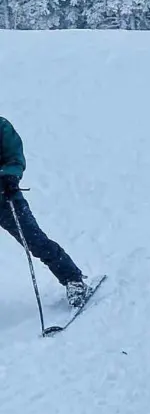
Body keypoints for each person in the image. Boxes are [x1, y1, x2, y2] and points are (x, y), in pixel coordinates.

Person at [0, 116, 92, 308]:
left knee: (35, 241)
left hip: (5, 198)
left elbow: (14, 155)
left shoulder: (1, 127)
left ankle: (73, 279)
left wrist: (10, 175)